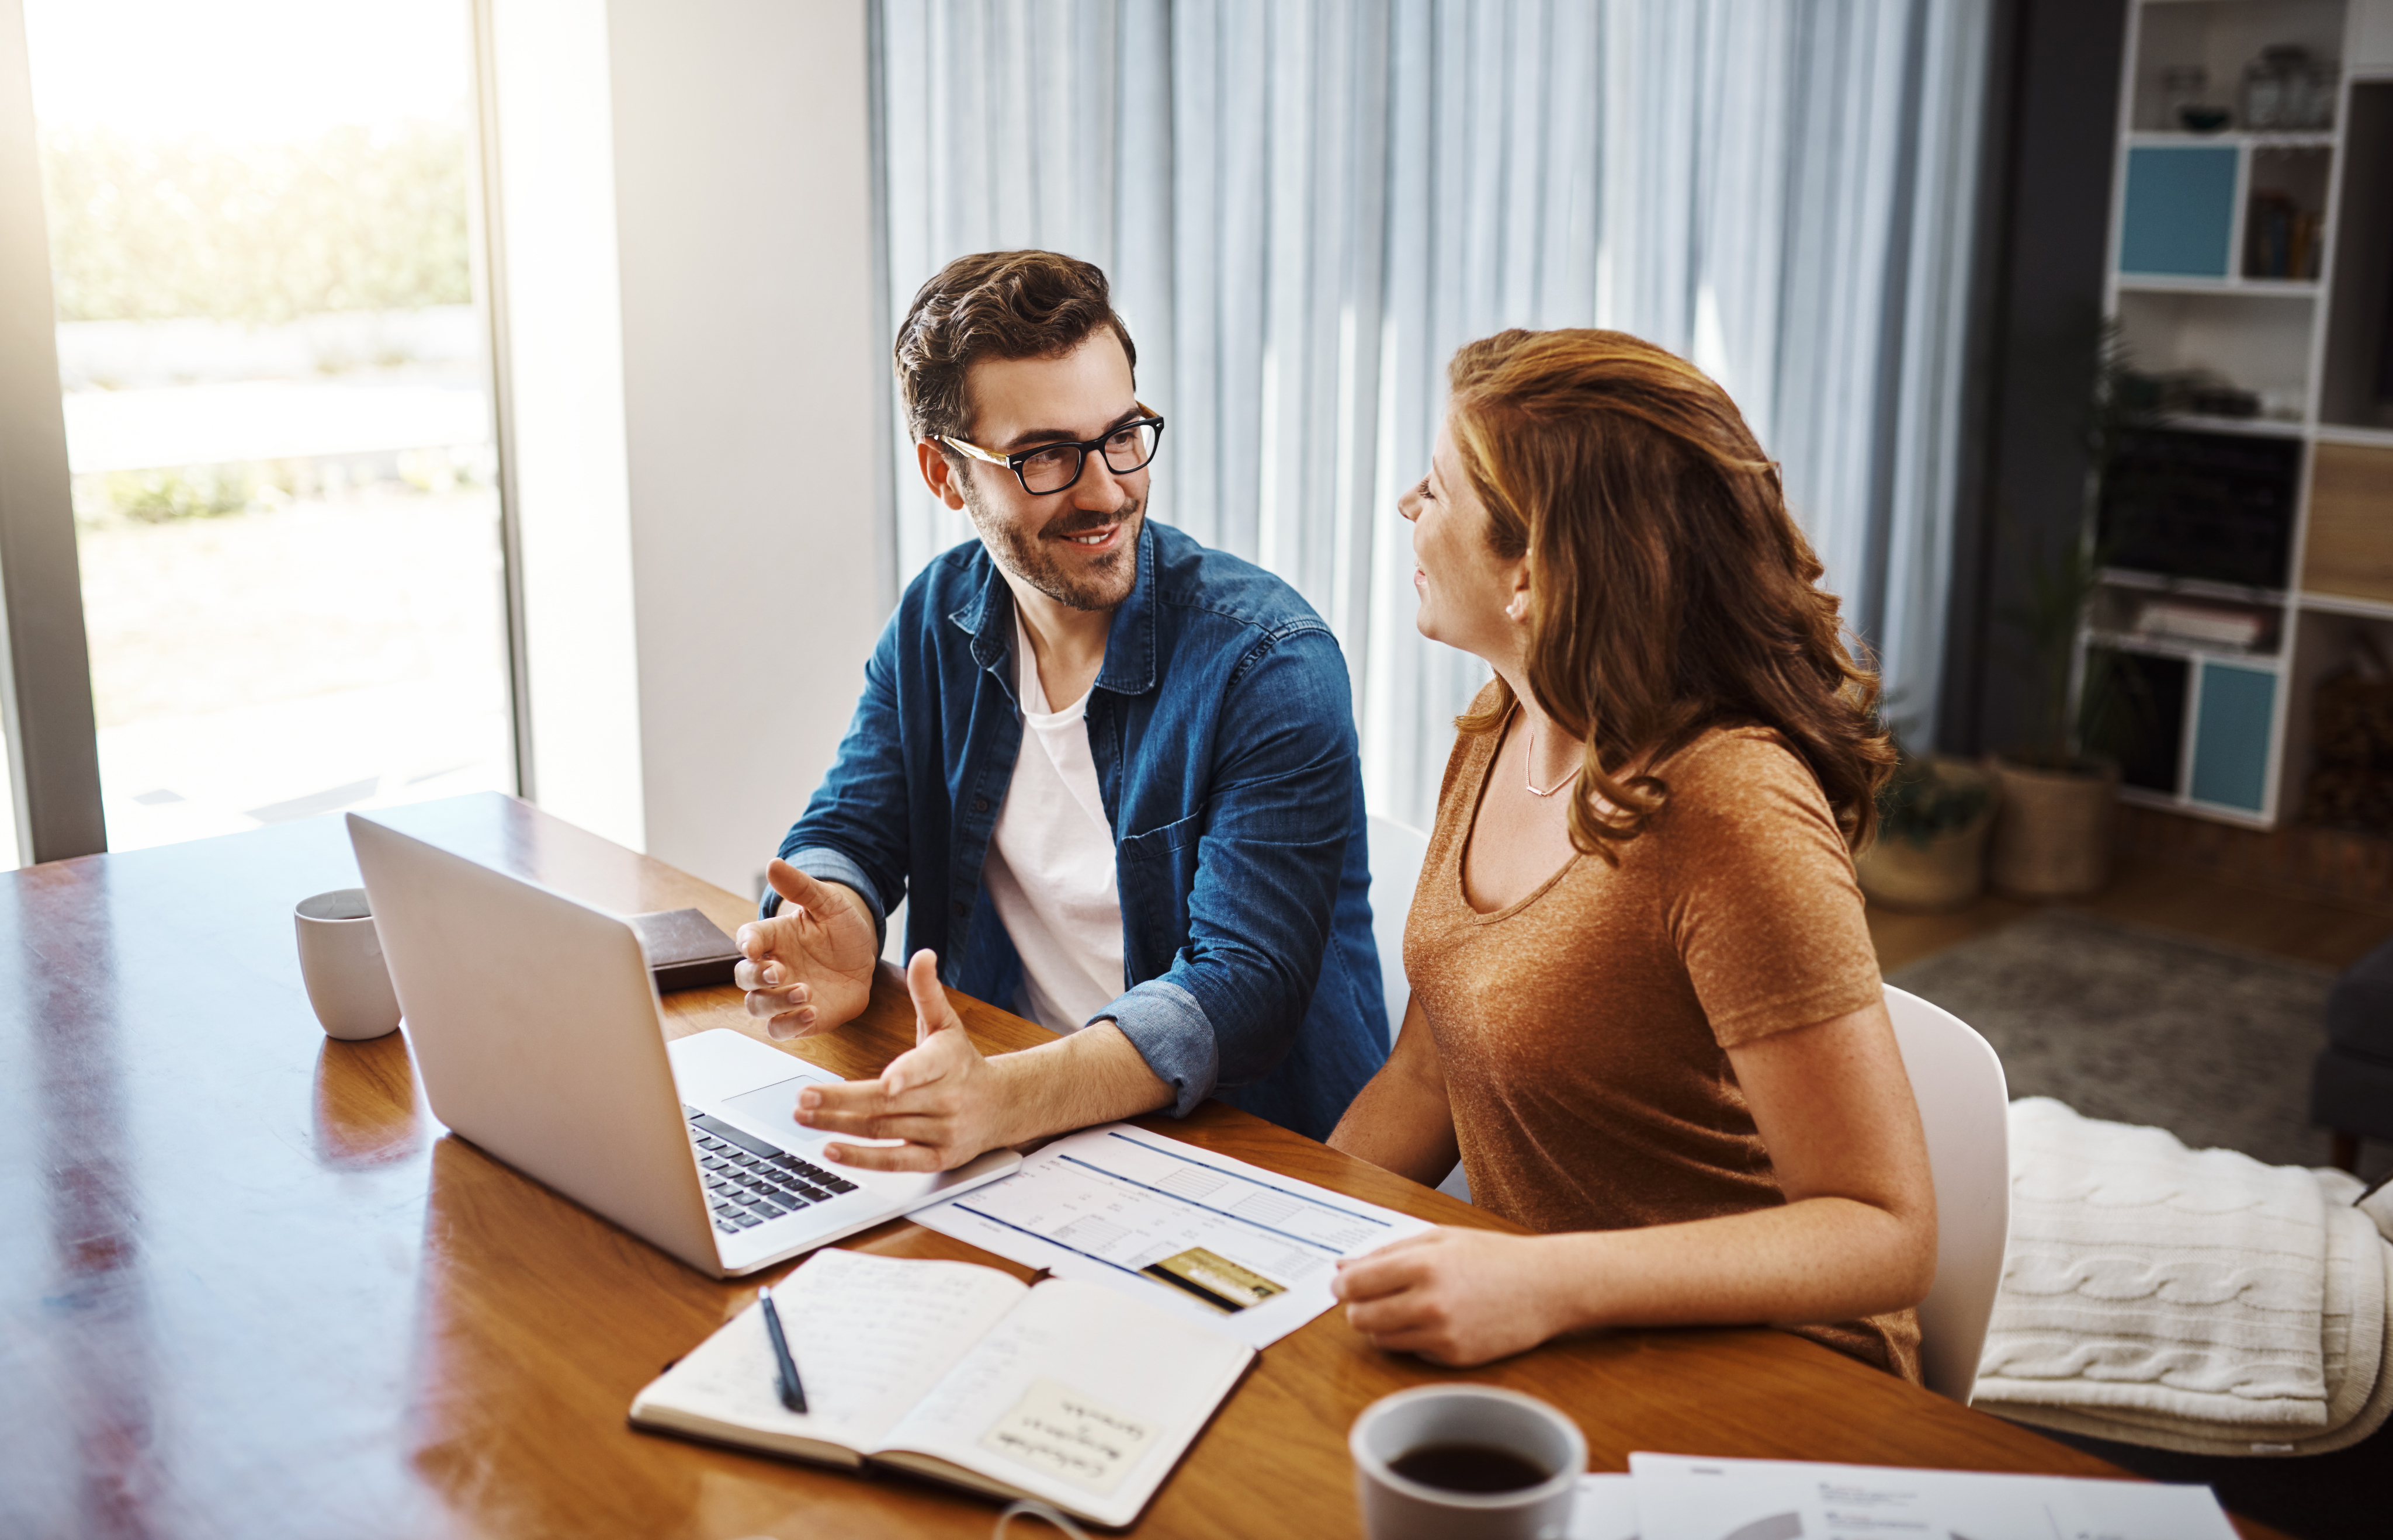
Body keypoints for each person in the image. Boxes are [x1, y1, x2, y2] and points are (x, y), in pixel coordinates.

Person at [1326, 328, 1936, 1380]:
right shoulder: (1498, 731)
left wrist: (1546, 1283)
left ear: (1531, 571)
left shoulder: (1732, 806)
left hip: (1777, 1380)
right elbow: (1428, 1076)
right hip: (1563, 1342)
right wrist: (1275, 1245)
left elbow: (1885, 1230)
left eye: (1435, 491)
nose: (1405, 510)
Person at [734, 249, 1387, 1171]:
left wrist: (1008, 1100)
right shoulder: (939, 615)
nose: (1106, 491)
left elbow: (1243, 986)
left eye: (1123, 435)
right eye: (1046, 457)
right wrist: (838, 918)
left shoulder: (1269, 663)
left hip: (1238, 1158)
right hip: (1017, 1135)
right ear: (944, 475)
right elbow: (852, 825)